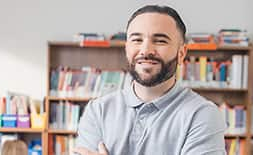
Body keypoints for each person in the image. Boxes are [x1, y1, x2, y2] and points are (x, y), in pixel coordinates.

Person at [73, 5, 226, 155]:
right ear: (127, 48)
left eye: (160, 41)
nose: (145, 51)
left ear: (181, 53)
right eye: (137, 40)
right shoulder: (98, 110)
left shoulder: (202, 114)